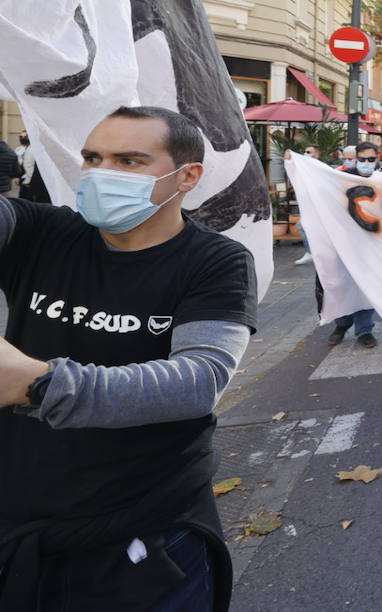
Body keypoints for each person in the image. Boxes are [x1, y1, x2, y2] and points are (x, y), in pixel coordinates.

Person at [0, 105, 256, 610]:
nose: (100, 174)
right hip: (23, 527)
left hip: (147, 536)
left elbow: (198, 380)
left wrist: (42, 384)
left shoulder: (217, 262)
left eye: (129, 161)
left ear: (187, 177)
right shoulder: (40, 232)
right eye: (93, 157)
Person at [323, 142, 379, 348]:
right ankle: (342, 324)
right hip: (344, 242)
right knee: (342, 285)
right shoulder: (342, 178)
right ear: (356, 159)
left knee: (366, 287)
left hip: (371, 244)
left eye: (371, 159)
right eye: (362, 159)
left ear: (377, 159)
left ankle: (364, 330)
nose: (366, 163)